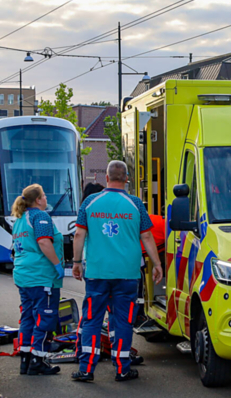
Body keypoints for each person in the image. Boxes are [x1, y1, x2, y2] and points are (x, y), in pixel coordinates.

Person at [71, 161, 163, 383]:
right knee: (122, 321)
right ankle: (122, 369)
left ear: (106, 178)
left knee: (92, 320)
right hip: (127, 274)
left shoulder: (90, 202)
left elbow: (79, 235)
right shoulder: (135, 204)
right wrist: (157, 264)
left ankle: (86, 369)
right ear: (127, 179)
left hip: (97, 272)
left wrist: (76, 262)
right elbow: (147, 237)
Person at [11, 184, 66, 376]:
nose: (46, 199)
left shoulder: (19, 219)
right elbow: (44, 242)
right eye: (43, 196)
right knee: (45, 318)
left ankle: (25, 360)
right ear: (38, 200)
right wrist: (57, 264)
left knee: (27, 317)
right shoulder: (40, 216)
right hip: (41, 276)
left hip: (23, 275)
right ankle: (38, 360)